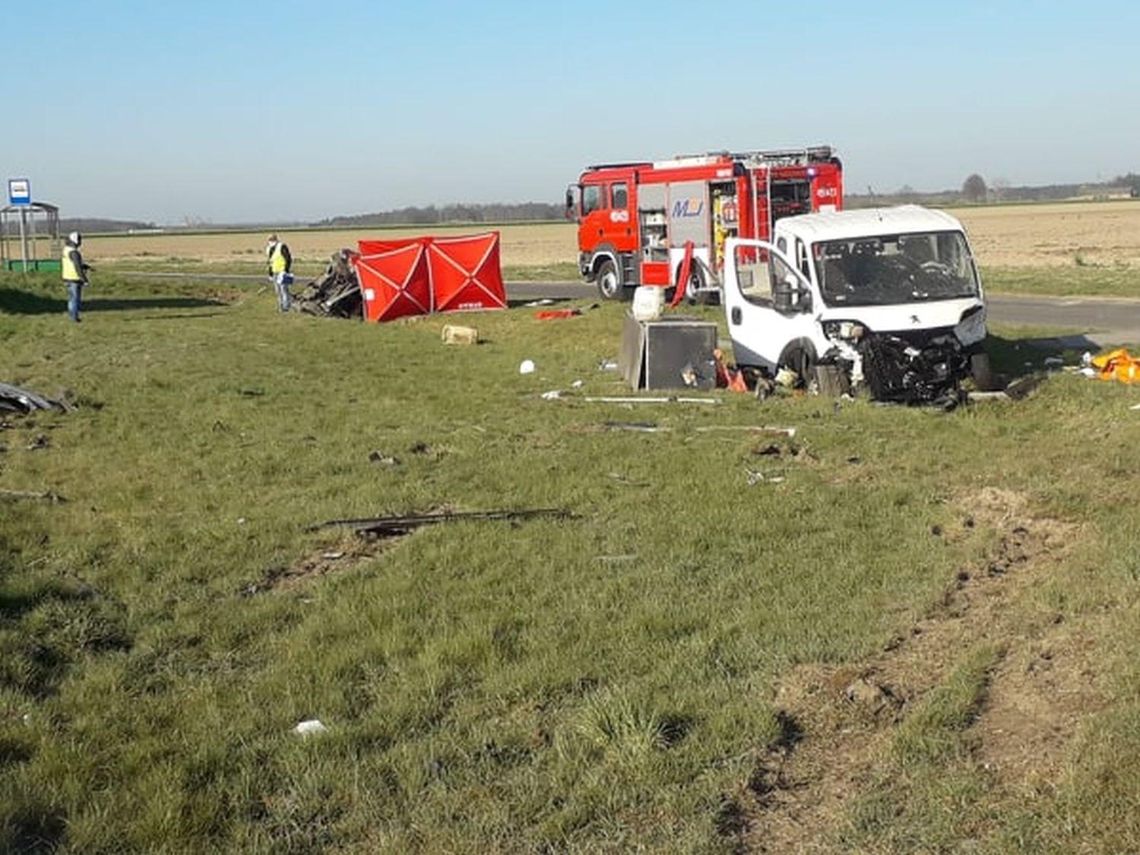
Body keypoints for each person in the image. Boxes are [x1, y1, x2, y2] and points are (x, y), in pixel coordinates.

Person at [61, 231, 92, 323]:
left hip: (66, 277)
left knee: (71, 298)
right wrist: (84, 279)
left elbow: (73, 263)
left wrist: (84, 266)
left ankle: (72, 316)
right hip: (74, 278)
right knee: (75, 299)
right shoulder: (74, 252)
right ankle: (75, 317)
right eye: (79, 240)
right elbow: (77, 266)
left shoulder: (66, 250)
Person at [266, 234, 294, 312]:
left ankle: (286, 307)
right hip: (275, 272)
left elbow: (288, 258)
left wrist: (286, 270)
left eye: (272, 239)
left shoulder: (282, 247)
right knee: (278, 291)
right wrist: (270, 273)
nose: (270, 241)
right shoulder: (269, 249)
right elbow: (270, 262)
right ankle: (280, 306)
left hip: (282, 272)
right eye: (269, 239)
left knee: (284, 290)